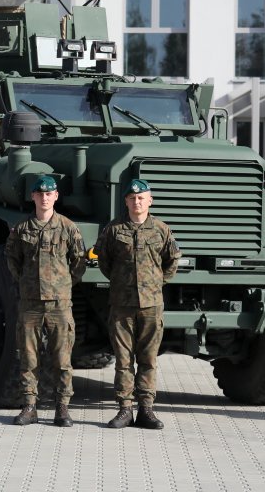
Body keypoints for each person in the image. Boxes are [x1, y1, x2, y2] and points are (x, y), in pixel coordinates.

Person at [94, 179, 181, 430]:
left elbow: (171, 262)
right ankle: (124, 409)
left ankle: (146, 410)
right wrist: (122, 283)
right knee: (123, 360)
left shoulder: (161, 230)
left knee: (148, 358)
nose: (137, 202)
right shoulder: (114, 230)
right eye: (132, 198)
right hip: (122, 305)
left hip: (151, 305)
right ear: (126, 202)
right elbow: (104, 262)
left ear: (149, 201)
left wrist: (154, 283)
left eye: (141, 198)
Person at [5, 175, 86, 427]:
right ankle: (29, 406)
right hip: (30, 303)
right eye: (39, 194)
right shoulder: (21, 229)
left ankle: (62, 408)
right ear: (33, 197)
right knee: (29, 357)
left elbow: (79, 262)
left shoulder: (68, 227)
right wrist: (26, 283)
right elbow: (12, 259)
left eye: (48, 194)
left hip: (59, 304)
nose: (44, 197)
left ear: (55, 197)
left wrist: (63, 285)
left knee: (62, 358)